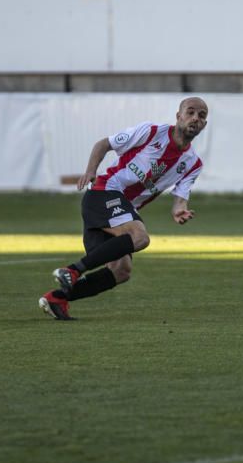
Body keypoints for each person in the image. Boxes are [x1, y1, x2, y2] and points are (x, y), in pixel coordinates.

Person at [39, 97, 209, 321]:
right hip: (104, 193)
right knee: (140, 237)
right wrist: (91, 170)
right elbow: (103, 144)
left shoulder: (193, 164)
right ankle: (72, 270)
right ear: (178, 116)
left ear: (204, 124)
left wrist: (180, 210)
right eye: (191, 112)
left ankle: (57, 298)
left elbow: (180, 198)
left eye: (202, 115)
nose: (196, 118)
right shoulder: (151, 132)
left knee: (121, 271)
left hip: (120, 212)